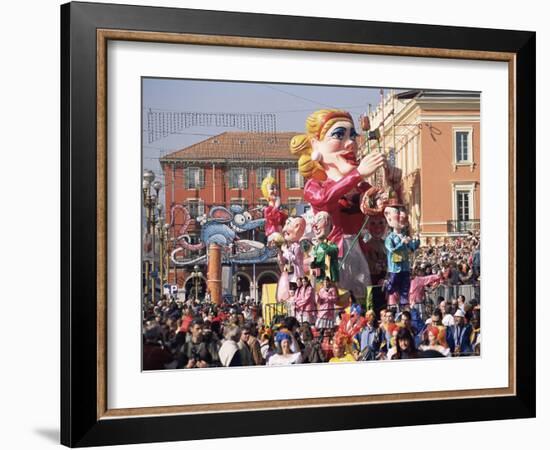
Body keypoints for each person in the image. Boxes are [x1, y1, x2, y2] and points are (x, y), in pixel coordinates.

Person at [290, 109, 385, 299]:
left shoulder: (360, 186)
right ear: (315, 144)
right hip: (332, 255)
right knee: (334, 297)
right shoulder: (314, 185)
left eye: (353, 136)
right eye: (339, 135)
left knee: (363, 299)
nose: (350, 143)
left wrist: (391, 184)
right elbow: (325, 198)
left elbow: (381, 206)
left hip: (360, 254)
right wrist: (357, 173)